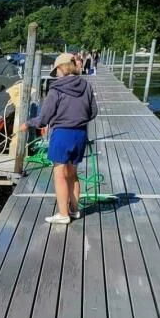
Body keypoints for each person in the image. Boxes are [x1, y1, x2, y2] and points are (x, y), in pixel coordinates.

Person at [23, 51, 97, 225]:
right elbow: (93, 112)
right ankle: (74, 209)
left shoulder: (56, 89)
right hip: (80, 134)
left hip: (62, 134)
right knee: (73, 173)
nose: (55, 74)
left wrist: (28, 123)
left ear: (63, 68)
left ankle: (63, 214)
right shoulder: (86, 86)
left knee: (59, 174)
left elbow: (44, 118)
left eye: (56, 70)